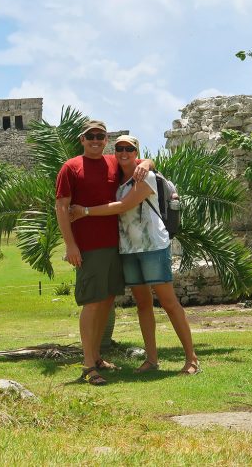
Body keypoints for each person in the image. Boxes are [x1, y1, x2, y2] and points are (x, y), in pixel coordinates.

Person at [69, 135, 200, 375]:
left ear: (136, 151)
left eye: (129, 148)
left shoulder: (145, 176)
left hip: (152, 247)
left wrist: (84, 211)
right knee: (142, 304)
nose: (123, 152)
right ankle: (151, 359)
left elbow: (123, 206)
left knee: (169, 302)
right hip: (128, 249)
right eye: (119, 148)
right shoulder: (116, 177)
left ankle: (191, 359)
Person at [55, 121, 154, 386]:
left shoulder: (112, 162)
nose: (96, 140)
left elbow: (140, 161)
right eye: (91, 136)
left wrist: (147, 163)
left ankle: (96, 356)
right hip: (89, 246)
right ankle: (88, 365)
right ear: (82, 139)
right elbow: (62, 207)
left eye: (100, 136)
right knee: (93, 302)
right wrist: (70, 245)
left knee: (107, 300)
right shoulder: (71, 167)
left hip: (115, 245)